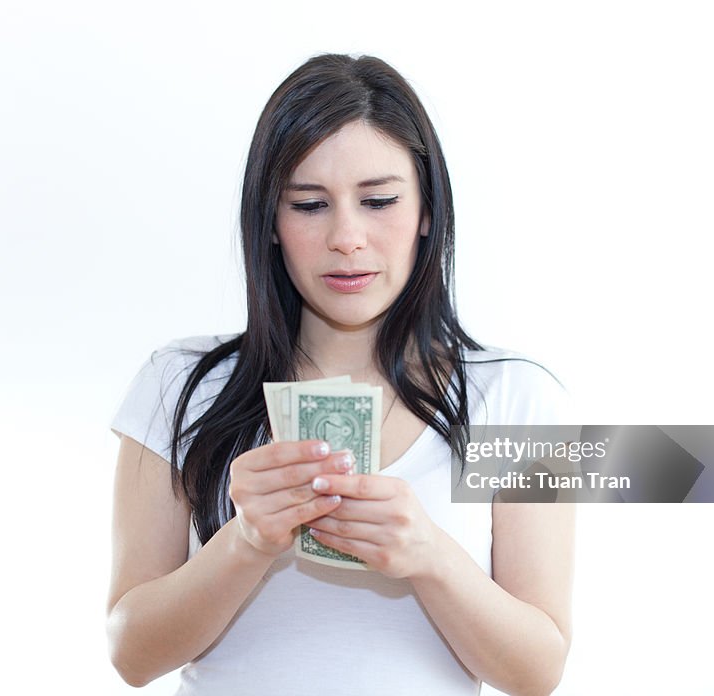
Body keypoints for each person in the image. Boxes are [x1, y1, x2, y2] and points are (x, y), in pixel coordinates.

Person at [106, 53, 575, 696]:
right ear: (270, 221)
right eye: (309, 204)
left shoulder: (516, 397)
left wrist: (430, 557)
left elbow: (537, 672)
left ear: (428, 213)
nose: (347, 237)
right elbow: (131, 653)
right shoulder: (182, 384)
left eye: (379, 200)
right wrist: (245, 542)